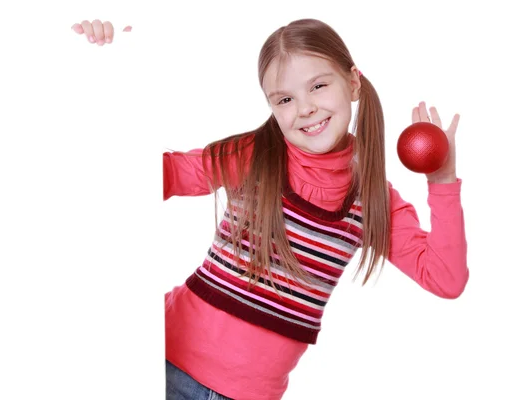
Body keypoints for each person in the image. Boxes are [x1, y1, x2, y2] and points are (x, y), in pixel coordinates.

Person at [73, 18, 469, 400]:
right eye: (285, 99)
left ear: (352, 81)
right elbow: (139, 180)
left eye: (318, 85)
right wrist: (109, 73)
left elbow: (446, 279)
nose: (306, 107)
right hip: (164, 364)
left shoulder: (372, 200)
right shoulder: (253, 155)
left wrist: (442, 181)